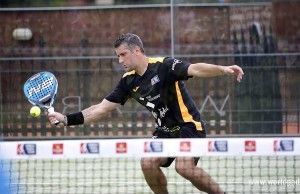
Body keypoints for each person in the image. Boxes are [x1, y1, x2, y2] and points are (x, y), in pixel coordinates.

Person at [48, 33, 243, 194]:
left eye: (123, 54)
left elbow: (195, 69)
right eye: (118, 56)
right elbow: (101, 108)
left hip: (189, 126)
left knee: (184, 167)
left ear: (137, 51)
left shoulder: (164, 65)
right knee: (147, 162)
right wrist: (66, 119)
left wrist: (223, 69)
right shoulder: (128, 82)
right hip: (164, 132)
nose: (120, 60)